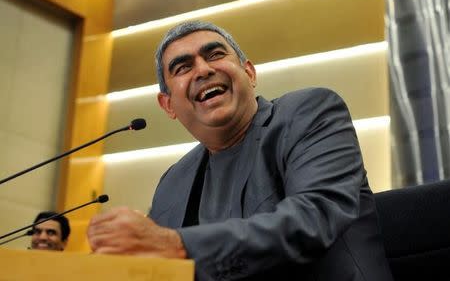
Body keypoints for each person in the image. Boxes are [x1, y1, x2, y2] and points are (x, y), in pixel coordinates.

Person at [87, 21, 393, 280]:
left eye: (215, 54)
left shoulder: (308, 114)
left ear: (249, 73)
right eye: (183, 67)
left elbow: (313, 219)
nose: (203, 70)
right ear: (168, 105)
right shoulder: (173, 181)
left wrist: (177, 245)